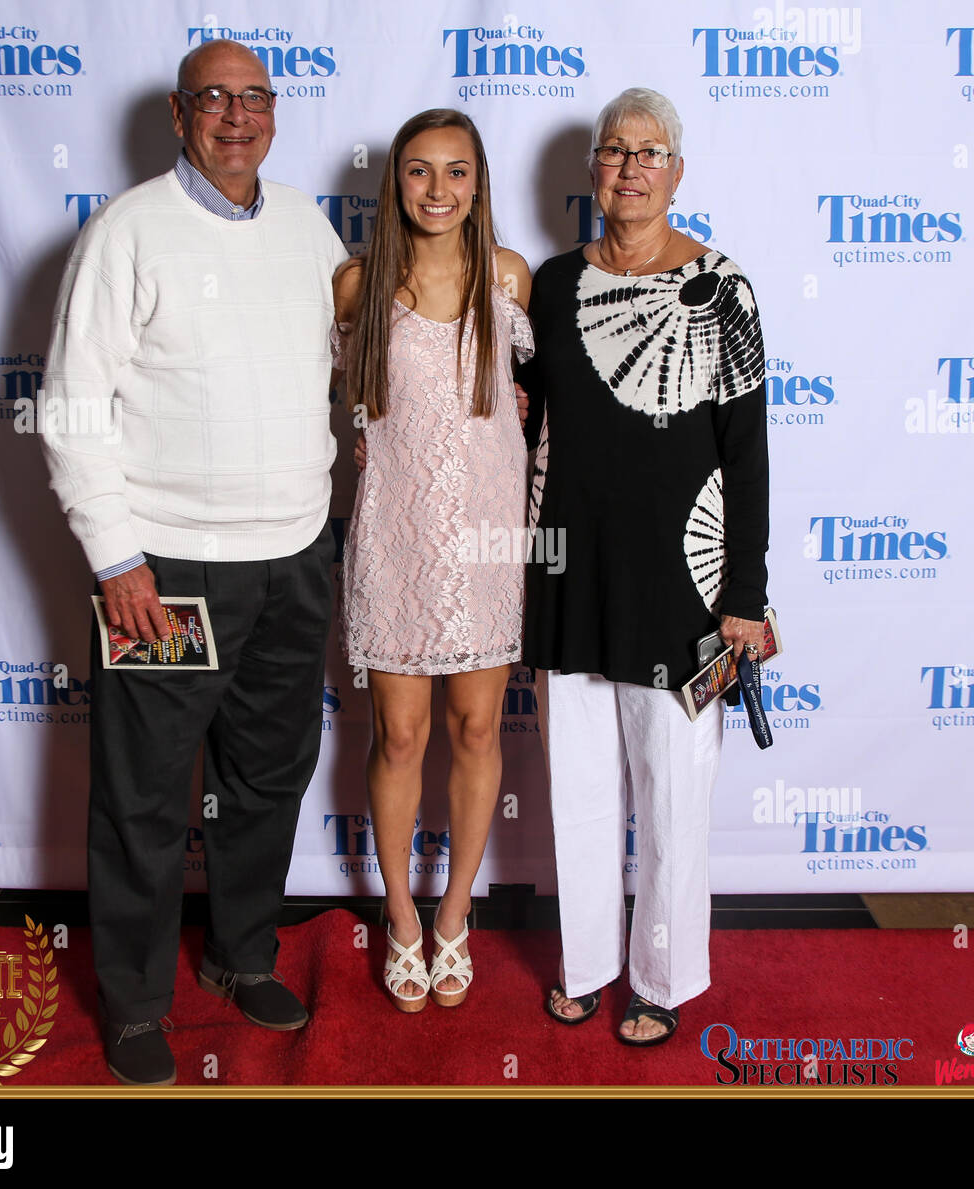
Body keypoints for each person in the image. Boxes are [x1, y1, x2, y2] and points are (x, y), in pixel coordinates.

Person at [41, 38, 347, 1085]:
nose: (236, 116)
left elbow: (354, 370)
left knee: (266, 777)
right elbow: (72, 408)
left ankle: (240, 954)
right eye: (213, 98)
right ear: (179, 115)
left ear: (274, 111)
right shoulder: (129, 230)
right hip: (165, 568)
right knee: (142, 793)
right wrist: (115, 557)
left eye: (254, 97)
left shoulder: (309, 227)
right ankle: (132, 1002)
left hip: (295, 556)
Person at [520, 87, 770, 1046]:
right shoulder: (549, 283)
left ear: (677, 171)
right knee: (577, 788)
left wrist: (742, 596)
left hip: (684, 585)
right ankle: (585, 965)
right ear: (592, 169)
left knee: (672, 794)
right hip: (568, 570)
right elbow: (521, 413)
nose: (630, 166)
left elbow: (745, 451)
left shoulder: (724, 288)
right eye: (614, 150)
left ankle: (661, 976)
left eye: (650, 152)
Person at [333, 109, 532, 1011]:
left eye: (457, 172)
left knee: (477, 732)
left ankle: (456, 914)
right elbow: (346, 411)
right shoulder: (359, 284)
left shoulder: (509, 279)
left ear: (480, 182)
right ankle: (402, 917)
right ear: (395, 182)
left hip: (486, 548)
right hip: (395, 543)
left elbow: (526, 409)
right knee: (400, 735)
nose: (439, 190)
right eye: (419, 172)